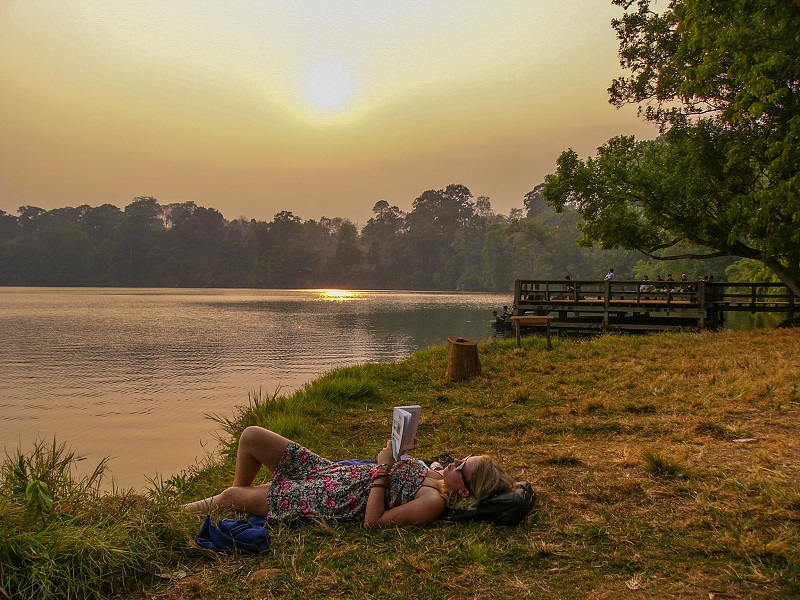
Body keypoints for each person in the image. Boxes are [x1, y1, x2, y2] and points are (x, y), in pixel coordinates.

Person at [182, 426, 514, 528]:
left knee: (227, 496)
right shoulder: (439, 475)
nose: (454, 462)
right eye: (461, 459)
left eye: (462, 468)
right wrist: (401, 447)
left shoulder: (432, 503)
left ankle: (177, 512)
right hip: (328, 471)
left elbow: (373, 522)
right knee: (251, 437)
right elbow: (412, 468)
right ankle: (247, 499)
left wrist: (383, 467)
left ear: (467, 493)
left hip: (326, 499)